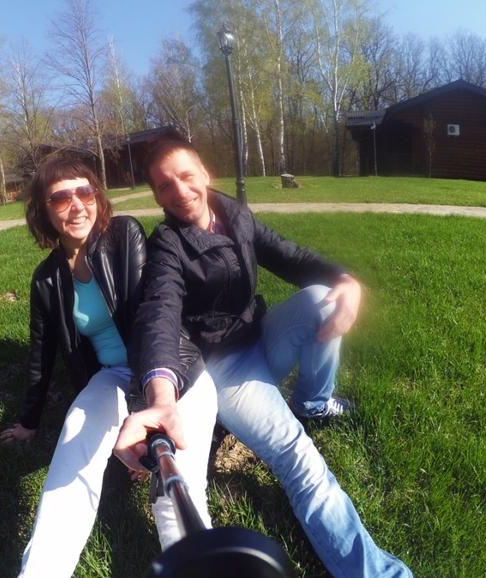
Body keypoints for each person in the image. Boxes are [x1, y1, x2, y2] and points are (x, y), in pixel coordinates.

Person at [114, 139, 413, 578]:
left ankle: (311, 402)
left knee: (323, 299)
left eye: (186, 176)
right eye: (165, 185)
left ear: (205, 174)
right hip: (226, 368)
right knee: (298, 458)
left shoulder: (233, 213)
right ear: (157, 196)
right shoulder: (168, 244)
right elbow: (158, 314)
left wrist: (346, 279)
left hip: (259, 335)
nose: (180, 191)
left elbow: (289, 255)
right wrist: (161, 398)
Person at [0, 157, 217, 578]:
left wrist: (148, 415)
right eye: (60, 198)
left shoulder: (123, 235)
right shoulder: (46, 280)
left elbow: (150, 322)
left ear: (97, 197)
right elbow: (40, 355)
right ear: (43, 211)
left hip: (174, 371)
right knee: (72, 446)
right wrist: (29, 422)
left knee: (176, 491)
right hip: (113, 377)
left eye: (85, 192)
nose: (76, 205)